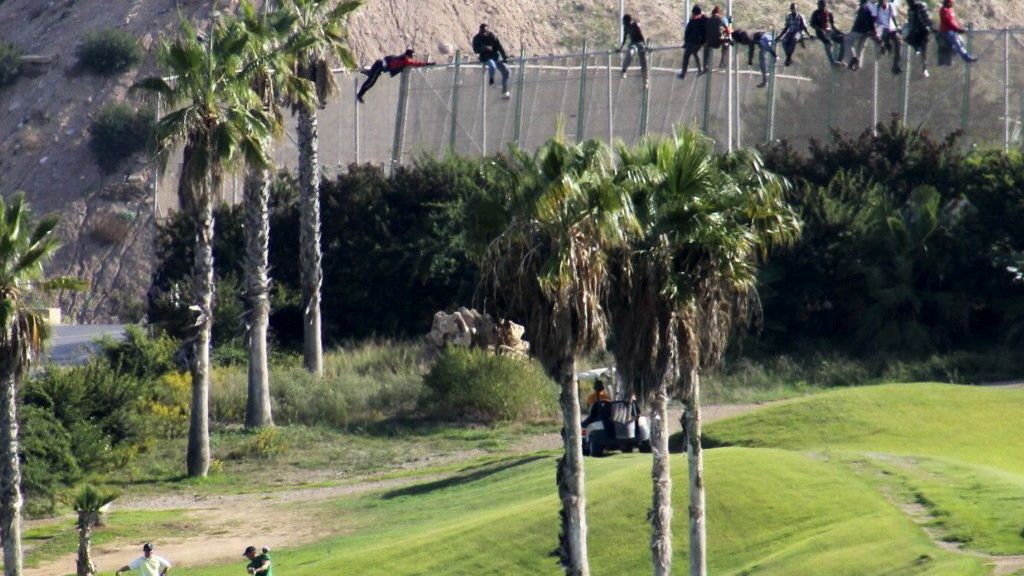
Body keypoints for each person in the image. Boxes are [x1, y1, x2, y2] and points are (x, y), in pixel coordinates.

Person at [356, 49, 435, 103]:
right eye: (412, 56)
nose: (412, 58)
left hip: (380, 66)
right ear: (409, 55)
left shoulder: (403, 58)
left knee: (371, 83)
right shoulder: (406, 60)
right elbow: (417, 63)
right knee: (369, 82)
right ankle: (359, 94)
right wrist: (428, 64)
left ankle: (368, 75)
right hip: (379, 66)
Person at [472, 24, 512, 99]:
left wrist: (504, 57)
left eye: (485, 32)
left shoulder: (492, 36)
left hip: (495, 56)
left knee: (507, 72)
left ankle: (504, 91)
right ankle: (491, 79)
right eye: (481, 32)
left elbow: (499, 47)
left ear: (488, 31)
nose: (483, 34)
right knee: (492, 65)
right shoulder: (477, 38)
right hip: (485, 57)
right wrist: (483, 48)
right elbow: (475, 50)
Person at [845, 0, 879, 70]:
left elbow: (867, 20)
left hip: (859, 30)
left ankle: (854, 58)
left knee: (847, 40)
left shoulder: (865, 8)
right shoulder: (869, 8)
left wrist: (871, 31)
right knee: (859, 48)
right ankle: (857, 65)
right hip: (865, 32)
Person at [810, 0, 845, 66]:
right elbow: (812, 24)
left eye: (822, 5)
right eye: (819, 5)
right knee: (828, 43)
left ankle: (839, 60)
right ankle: (832, 62)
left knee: (843, 40)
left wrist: (841, 33)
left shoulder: (829, 13)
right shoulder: (815, 13)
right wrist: (819, 29)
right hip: (819, 32)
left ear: (825, 5)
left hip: (828, 31)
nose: (820, 7)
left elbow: (833, 26)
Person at [905, 0, 934, 77]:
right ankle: (917, 49)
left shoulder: (920, 6)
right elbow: (910, 21)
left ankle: (924, 68)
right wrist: (911, 29)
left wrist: (929, 27)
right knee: (908, 38)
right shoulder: (910, 9)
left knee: (924, 51)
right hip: (915, 31)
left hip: (923, 31)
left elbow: (927, 17)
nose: (909, 3)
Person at [874, 0, 903, 74]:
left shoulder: (890, 6)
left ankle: (896, 64)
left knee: (899, 43)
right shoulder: (876, 7)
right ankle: (884, 47)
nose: (882, 2)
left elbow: (893, 17)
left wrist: (897, 26)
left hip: (891, 28)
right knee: (887, 44)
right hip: (881, 29)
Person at [618, 14, 649, 83]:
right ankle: (624, 71)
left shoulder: (635, 25)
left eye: (624, 22)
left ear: (628, 21)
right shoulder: (626, 28)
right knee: (629, 52)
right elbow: (625, 39)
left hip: (640, 43)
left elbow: (641, 36)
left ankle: (645, 78)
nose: (624, 23)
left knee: (643, 60)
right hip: (633, 44)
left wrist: (645, 46)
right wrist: (621, 48)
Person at [679, 5, 706, 79]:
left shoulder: (693, 21)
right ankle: (700, 69)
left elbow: (687, 32)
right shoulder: (703, 20)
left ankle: (683, 73)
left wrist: (686, 42)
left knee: (686, 56)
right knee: (694, 53)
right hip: (699, 42)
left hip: (692, 42)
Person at [702, 6, 728, 73]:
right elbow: (726, 29)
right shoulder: (720, 19)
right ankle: (723, 63)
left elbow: (704, 32)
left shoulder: (708, 20)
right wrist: (724, 39)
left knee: (706, 49)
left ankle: (705, 65)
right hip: (717, 42)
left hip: (709, 42)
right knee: (726, 46)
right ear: (718, 13)